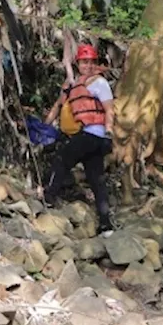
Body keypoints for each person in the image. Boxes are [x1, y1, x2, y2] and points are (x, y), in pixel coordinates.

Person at [44, 44, 115, 234]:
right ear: (78, 64)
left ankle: (48, 197)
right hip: (87, 137)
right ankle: (106, 224)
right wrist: (46, 126)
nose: (88, 66)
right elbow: (58, 106)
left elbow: (109, 110)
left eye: (92, 62)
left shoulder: (100, 83)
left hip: (93, 135)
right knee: (96, 179)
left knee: (61, 159)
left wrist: (109, 133)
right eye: (85, 62)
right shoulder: (72, 86)